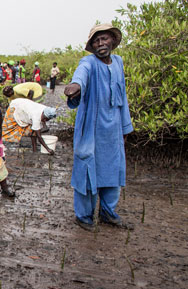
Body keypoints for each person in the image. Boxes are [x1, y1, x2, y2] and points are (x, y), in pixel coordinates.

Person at [64, 23, 133, 231]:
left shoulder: (118, 62)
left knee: (112, 171)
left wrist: (125, 128)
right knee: (87, 170)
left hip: (113, 130)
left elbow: (123, 97)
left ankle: (107, 213)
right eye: (96, 40)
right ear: (92, 45)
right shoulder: (88, 62)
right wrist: (74, 87)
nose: (101, 43)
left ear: (112, 40)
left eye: (104, 39)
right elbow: (80, 77)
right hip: (91, 129)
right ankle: (84, 216)